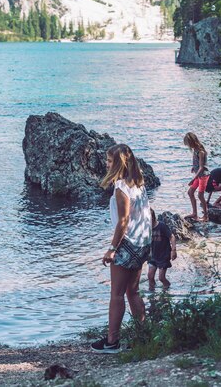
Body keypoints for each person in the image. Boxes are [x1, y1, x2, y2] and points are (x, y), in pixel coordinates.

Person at [91, 144, 152, 354]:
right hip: (143, 241)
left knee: (116, 294)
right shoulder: (139, 183)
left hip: (128, 244)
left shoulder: (120, 188)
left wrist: (111, 249)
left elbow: (123, 221)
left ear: (118, 164)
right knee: (133, 291)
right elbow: (146, 214)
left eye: (109, 161)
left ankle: (112, 342)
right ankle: (144, 335)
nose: (106, 164)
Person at [148, 209, 177, 290]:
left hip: (163, 256)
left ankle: (166, 289)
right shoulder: (147, 228)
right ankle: (152, 293)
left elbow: (172, 237)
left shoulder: (162, 226)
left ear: (153, 217)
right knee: (150, 276)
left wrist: (173, 250)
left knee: (161, 278)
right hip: (153, 255)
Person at [184, 132, 209, 222]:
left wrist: (193, 179)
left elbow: (202, 168)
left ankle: (206, 216)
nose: (188, 146)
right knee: (190, 192)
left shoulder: (201, 152)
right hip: (198, 175)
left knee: (200, 195)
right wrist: (194, 167)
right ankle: (194, 213)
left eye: (188, 144)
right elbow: (198, 164)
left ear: (192, 142)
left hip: (203, 176)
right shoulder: (195, 150)